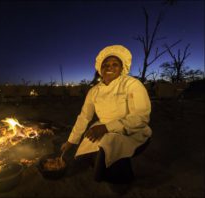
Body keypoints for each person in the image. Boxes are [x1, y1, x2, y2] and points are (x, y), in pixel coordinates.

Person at [61, 45, 152, 183]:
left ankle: (121, 180)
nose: (109, 67)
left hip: (133, 131)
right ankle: (105, 168)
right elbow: (84, 116)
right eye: (105, 65)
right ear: (100, 69)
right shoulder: (94, 91)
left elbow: (140, 118)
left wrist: (106, 128)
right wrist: (70, 141)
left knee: (109, 144)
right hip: (104, 128)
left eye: (115, 64)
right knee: (89, 144)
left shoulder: (132, 85)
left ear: (122, 68)